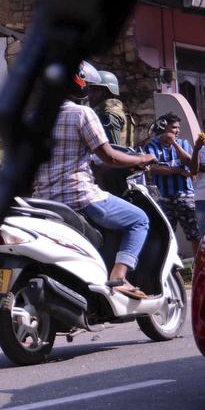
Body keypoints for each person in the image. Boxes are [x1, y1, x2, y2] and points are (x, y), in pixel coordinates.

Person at [32, 62, 155, 299]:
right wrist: (141, 158)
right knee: (139, 219)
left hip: (45, 203)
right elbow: (109, 156)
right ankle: (118, 277)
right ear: (79, 84)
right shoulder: (82, 113)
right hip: (80, 197)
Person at [144, 113, 199, 252]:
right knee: (166, 235)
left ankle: (198, 266)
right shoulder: (152, 146)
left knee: (194, 235)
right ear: (164, 126)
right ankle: (172, 268)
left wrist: (174, 143)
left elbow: (190, 163)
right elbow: (153, 168)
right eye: (174, 127)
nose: (177, 130)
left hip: (185, 196)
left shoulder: (183, 144)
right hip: (164, 197)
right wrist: (178, 171)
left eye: (178, 128)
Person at [91, 70, 135, 147]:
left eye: (95, 90)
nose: (90, 94)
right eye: (90, 90)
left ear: (108, 92)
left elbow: (115, 149)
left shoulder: (109, 114)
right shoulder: (119, 109)